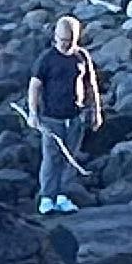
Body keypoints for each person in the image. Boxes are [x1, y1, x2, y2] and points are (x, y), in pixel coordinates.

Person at [26, 14, 104, 210]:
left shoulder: (81, 56)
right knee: (51, 158)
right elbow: (34, 86)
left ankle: (63, 196)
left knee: (71, 157)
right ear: (55, 36)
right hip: (51, 118)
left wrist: (96, 111)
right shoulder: (46, 59)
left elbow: (91, 84)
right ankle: (47, 197)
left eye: (69, 41)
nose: (65, 44)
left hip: (75, 116)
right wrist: (33, 113)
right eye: (61, 40)